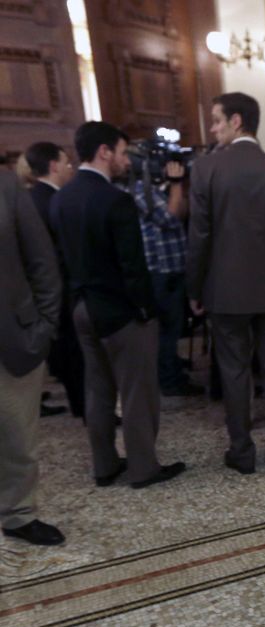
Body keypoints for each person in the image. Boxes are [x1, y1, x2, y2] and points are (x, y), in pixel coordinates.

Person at [52, 121, 186, 489]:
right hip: (120, 311)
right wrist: (146, 309)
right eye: (123, 152)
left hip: (81, 307)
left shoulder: (60, 197)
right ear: (104, 152)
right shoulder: (115, 199)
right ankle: (144, 469)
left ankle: (105, 466)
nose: (126, 160)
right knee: (137, 392)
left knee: (97, 389)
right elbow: (133, 265)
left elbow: (61, 260)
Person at [187, 92, 265, 474]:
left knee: (234, 372)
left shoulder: (205, 169)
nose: (213, 128)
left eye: (216, 120)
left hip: (225, 290)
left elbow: (199, 236)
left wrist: (194, 288)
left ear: (237, 122)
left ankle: (242, 451)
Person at [0, 170, 65, 546]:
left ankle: (18, 513)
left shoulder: (7, 186)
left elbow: (42, 260)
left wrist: (44, 325)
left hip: (12, 334)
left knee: (16, 435)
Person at [129, 160, 204, 397]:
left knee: (172, 327)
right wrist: (176, 183)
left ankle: (171, 368)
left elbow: (181, 213)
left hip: (172, 267)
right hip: (159, 270)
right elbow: (170, 218)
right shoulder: (138, 190)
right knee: (165, 330)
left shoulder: (156, 190)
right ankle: (169, 380)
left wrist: (177, 187)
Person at [24, 141, 85, 419]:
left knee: (67, 349)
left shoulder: (35, 197)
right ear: (53, 165)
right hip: (59, 287)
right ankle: (83, 405)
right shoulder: (49, 201)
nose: (70, 167)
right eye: (66, 162)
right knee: (73, 350)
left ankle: (80, 401)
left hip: (49, 288)